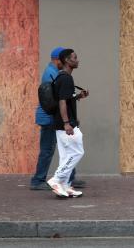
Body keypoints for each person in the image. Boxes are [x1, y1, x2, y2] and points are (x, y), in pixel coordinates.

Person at [30, 47, 85, 190]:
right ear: (57, 60)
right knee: (48, 150)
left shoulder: (57, 73)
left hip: (55, 117)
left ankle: (69, 178)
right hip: (49, 118)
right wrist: (67, 121)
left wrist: (77, 97)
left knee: (67, 149)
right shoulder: (51, 74)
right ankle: (38, 180)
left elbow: (64, 98)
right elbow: (57, 100)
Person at [47, 49, 88, 198]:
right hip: (66, 125)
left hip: (62, 124)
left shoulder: (62, 78)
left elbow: (67, 98)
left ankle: (64, 186)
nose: (77, 60)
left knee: (65, 157)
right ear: (66, 60)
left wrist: (78, 96)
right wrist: (66, 123)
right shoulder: (66, 79)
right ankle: (56, 180)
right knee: (77, 152)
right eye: (74, 58)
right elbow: (62, 102)